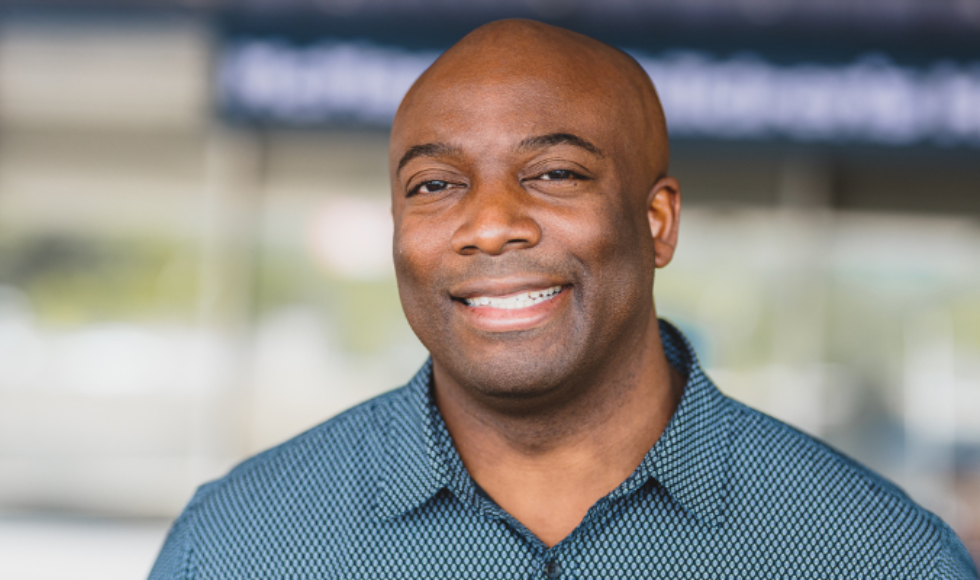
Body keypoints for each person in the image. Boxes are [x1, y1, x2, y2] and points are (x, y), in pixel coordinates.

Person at [150, 19, 978, 579]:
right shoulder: (239, 543)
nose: (490, 225)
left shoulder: (876, 555)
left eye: (554, 175)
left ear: (656, 223)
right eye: (435, 185)